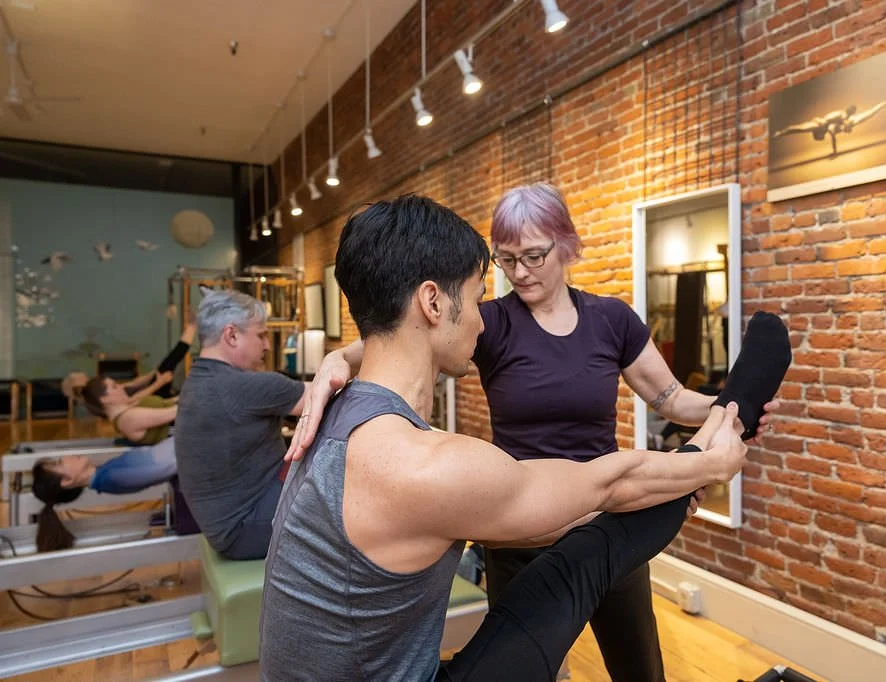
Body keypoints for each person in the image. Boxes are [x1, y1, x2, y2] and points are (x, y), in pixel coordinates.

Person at [260, 195, 791, 681]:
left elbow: (662, 405)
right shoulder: (421, 463)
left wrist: (711, 425)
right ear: (433, 302)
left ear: (562, 248)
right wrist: (708, 464)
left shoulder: (348, 416)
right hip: (530, 503)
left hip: (542, 501)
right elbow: (606, 487)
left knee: (577, 566)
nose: (484, 315)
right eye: (480, 292)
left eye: (532, 257)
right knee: (586, 558)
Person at [173, 289, 308, 560]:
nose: (268, 346)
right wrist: (348, 356)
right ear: (232, 335)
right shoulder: (242, 386)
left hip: (229, 527)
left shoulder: (199, 379)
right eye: (261, 335)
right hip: (245, 530)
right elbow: (340, 398)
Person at [31, 440, 177, 552]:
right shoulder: (112, 477)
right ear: (67, 480)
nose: (66, 456)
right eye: (59, 462)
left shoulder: (107, 473)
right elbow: (174, 462)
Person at [80, 318, 197, 445]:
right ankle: (193, 326)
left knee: (165, 367)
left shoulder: (125, 410)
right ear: (104, 399)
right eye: (114, 387)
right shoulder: (127, 420)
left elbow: (168, 404)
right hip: (194, 426)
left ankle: (192, 326)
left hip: (193, 418)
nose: (120, 387)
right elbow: (180, 411)